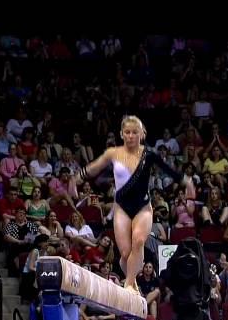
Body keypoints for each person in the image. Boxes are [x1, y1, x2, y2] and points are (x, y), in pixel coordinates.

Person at [75, 115, 192, 292]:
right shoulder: (113, 153)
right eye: (127, 132)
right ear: (122, 134)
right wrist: (78, 176)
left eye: (134, 132)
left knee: (138, 241)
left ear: (142, 134)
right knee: (124, 255)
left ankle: (129, 282)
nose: (131, 136)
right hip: (122, 208)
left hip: (143, 207)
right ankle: (133, 281)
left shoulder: (149, 155)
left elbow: (170, 170)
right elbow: (94, 167)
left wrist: (187, 181)